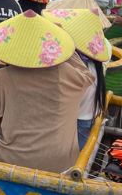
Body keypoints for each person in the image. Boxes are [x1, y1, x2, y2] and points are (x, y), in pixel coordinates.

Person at [0, 11, 90, 172]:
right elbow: (87, 76)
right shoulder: (65, 73)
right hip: (61, 163)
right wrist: (65, 43)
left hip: (13, 160)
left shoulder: (2, 76)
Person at [42, 8, 110, 150]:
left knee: (73, 158)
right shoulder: (94, 61)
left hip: (79, 120)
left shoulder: (77, 65)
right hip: (89, 115)